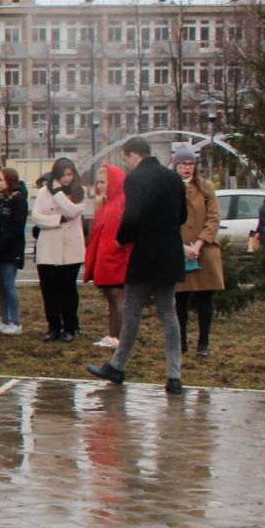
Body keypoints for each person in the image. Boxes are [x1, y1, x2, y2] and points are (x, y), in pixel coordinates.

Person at [88, 137, 189, 394]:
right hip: (170, 253)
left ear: (134, 155)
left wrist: (122, 239)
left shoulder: (135, 180)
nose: (127, 165)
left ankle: (117, 366)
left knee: (132, 312)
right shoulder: (174, 178)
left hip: (144, 254)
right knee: (168, 313)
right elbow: (182, 217)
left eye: (126, 159)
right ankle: (174, 377)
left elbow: (132, 216)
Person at [173, 143, 224, 357]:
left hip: (204, 250)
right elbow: (165, 220)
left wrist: (200, 243)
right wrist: (182, 246)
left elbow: (213, 218)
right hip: (179, 249)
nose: (187, 167)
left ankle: (204, 343)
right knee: (180, 299)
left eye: (191, 163)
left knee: (205, 298)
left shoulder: (206, 187)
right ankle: (181, 341)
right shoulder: (169, 188)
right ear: (175, 165)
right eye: (183, 163)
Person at [31, 158, 86, 342]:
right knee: (50, 291)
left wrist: (57, 193)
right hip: (48, 248)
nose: (66, 179)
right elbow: (37, 217)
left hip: (71, 249)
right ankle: (53, 326)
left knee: (68, 290)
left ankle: (70, 326)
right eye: (62, 175)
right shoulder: (42, 192)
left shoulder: (80, 191)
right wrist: (57, 220)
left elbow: (72, 211)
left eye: (69, 175)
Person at [82, 165, 129, 351]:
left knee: (118, 298)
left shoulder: (122, 202)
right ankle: (113, 335)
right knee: (111, 298)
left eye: (102, 182)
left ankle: (120, 337)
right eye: (97, 182)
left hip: (117, 259)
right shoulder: (105, 203)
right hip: (106, 259)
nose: (98, 186)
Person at [0, 167, 29, 335]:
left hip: (11, 249)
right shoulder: (1, 200)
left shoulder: (18, 201)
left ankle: (15, 321)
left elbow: (16, 228)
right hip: (0, 249)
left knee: (8, 284)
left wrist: (1, 244)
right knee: (1, 285)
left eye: (1, 180)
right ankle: (5, 319)